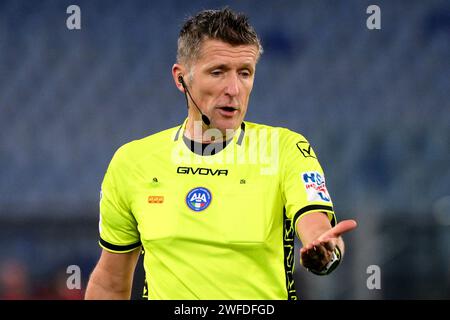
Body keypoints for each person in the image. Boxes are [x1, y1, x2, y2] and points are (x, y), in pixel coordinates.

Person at [85, 7, 357, 300]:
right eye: (218, 72)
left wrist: (327, 252)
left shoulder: (285, 149)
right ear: (181, 79)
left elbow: (319, 230)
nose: (233, 89)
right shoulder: (133, 162)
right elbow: (110, 283)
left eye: (245, 73)